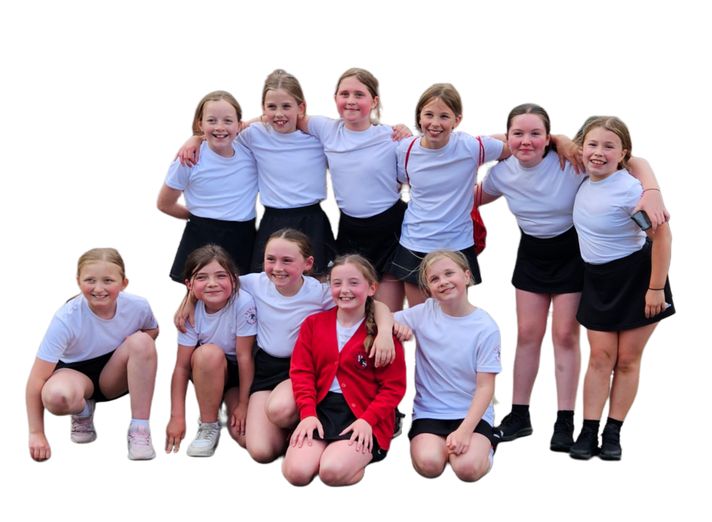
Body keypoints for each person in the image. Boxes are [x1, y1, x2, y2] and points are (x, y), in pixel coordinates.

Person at [479, 104, 669, 452]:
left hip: (574, 253)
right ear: (506, 137)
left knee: (565, 335)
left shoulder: (574, 163)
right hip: (532, 253)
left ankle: (565, 421)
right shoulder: (502, 173)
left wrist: (653, 190)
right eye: (517, 134)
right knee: (528, 334)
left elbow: (632, 161)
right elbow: (469, 187)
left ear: (548, 137)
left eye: (536, 134)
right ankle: (519, 415)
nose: (526, 140)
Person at [175, 229, 396, 463]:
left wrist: (384, 332)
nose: (278, 267)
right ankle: (291, 435)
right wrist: (188, 300)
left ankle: (308, 433)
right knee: (260, 451)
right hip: (266, 369)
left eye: (287, 260)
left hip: (302, 369)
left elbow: (374, 304)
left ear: (307, 264)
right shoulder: (255, 283)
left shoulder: (319, 292)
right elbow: (214, 283)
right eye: (271, 259)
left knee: (280, 409)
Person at [569, 116, 674, 460]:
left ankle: (612, 432)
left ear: (623, 153)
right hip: (598, 280)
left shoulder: (630, 191)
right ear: (582, 147)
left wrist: (655, 288)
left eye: (609, 146)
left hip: (638, 280)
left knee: (627, 360)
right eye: (592, 144)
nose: (598, 152)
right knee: (600, 357)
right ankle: (588, 430)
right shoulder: (580, 175)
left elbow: (662, 238)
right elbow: (556, 141)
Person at [177, 70, 335, 275]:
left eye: (286, 106)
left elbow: (348, 138)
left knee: (318, 280)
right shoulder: (255, 134)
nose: (279, 114)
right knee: (266, 281)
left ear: (301, 107)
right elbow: (224, 133)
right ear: (263, 108)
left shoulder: (317, 138)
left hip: (312, 220)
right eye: (272, 107)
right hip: (273, 220)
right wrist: (196, 138)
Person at [283, 254, 406, 486]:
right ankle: (329, 451)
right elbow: (302, 373)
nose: (345, 290)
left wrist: (368, 420)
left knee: (331, 472)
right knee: (296, 474)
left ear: (371, 288)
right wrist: (308, 414)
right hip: (322, 409)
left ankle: (351, 458)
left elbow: (393, 387)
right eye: (337, 283)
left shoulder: (383, 335)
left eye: (354, 283)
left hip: (364, 414)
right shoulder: (313, 324)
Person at [26, 248, 159, 461]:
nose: (98, 288)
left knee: (142, 341)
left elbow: (152, 330)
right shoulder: (66, 318)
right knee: (55, 396)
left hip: (113, 374)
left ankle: (140, 429)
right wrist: (36, 433)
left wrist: (131, 353)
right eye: (90, 280)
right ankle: (82, 410)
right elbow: (37, 379)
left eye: (108, 280)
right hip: (74, 374)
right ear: (78, 282)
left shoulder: (138, 306)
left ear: (124, 283)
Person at [297, 67, 409, 313]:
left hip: (390, 230)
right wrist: (234, 127)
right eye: (344, 94)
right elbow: (284, 113)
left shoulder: (391, 137)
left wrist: (408, 132)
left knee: (386, 315)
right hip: (351, 230)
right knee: (351, 311)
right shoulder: (326, 129)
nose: (350, 100)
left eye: (359, 95)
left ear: (374, 101)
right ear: (335, 98)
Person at [390, 83, 508, 307]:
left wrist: (556, 139)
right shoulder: (405, 149)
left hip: (456, 245)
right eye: (429, 115)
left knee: (454, 319)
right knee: (420, 318)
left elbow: (518, 144)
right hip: (415, 243)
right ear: (419, 116)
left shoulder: (471, 147)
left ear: (457, 120)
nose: (435, 123)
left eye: (444, 116)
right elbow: (400, 181)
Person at [393, 250, 501, 482]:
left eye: (449, 273)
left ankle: (488, 445)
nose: (443, 282)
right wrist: (388, 328)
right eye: (434, 279)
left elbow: (485, 387)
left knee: (467, 469)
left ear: (467, 276)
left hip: (471, 413)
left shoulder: (485, 327)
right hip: (430, 411)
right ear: (428, 288)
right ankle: (441, 447)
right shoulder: (424, 313)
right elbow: (376, 313)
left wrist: (465, 431)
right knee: (429, 465)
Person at [165, 244, 256, 457]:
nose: (212, 283)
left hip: (240, 373)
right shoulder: (189, 313)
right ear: (189, 284)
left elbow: (244, 357)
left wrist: (244, 404)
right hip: (207, 368)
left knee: (247, 439)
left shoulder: (242, 302)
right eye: (202, 277)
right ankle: (208, 424)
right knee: (208, 354)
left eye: (221, 276)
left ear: (234, 280)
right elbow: (181, 368)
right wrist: (177, 417)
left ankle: (229, 402)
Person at [157, 90, 258, 280]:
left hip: (243, 237)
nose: (220, 127)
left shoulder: (249, 150)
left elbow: (267, 118)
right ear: (200, 124)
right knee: (199, 293)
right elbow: (164, 203)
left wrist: (196, 137)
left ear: (239, 124)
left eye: (228, 121)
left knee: (242, 291)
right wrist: (198, 217)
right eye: (211, 120)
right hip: (202, 236)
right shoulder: (189, 159)